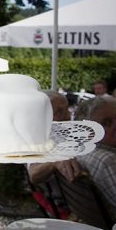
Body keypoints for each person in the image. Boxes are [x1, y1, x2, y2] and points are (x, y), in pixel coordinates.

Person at [26, 90, 81, 218]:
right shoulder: (37, 139)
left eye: (67, 109)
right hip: (66, 207)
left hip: (75, 203)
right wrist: (55, 161)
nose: (67, 115)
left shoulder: (68, 134)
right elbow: (33, 174)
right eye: (59, 112)